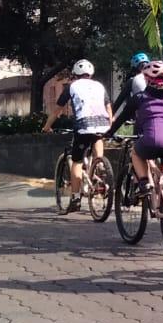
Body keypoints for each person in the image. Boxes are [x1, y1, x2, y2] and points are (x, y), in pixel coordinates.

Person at [104, 60, 163, 220]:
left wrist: (109, 133)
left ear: (146, 78)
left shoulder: (140, 97)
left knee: (136, 153)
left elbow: (122, 118)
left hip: (154, 140)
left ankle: (144, 183)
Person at [55, 59, 111, 212]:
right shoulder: (99, 86)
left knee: (77, 162)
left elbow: (57, 109)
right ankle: (100, 166)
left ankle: (75, 198)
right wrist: (110, 123)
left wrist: (47, 126)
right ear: (91, 74)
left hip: (83, 126)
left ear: (74, 74)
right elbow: (108, 106)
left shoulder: (72, 86)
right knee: (98, 140)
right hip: (103, 124)